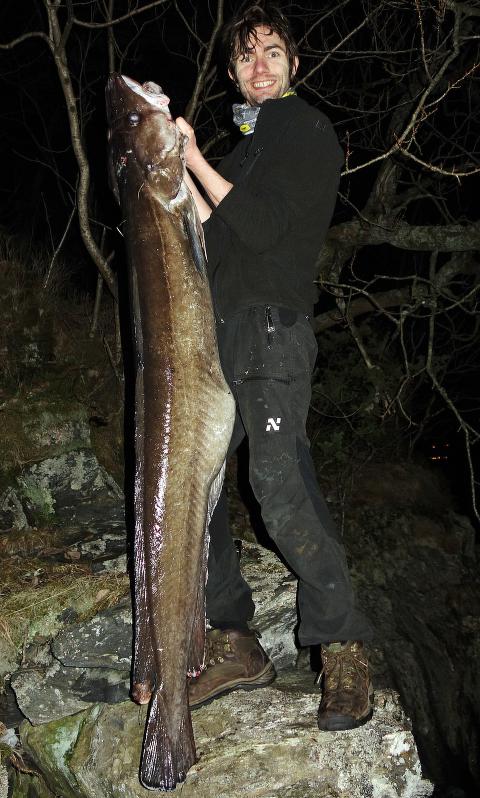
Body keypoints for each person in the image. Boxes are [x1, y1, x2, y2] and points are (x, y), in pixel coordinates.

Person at [176, 2, 373, 732]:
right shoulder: (245, 150)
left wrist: (193, 157)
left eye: (273, 53)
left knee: (277, 482)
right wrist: (170, 164)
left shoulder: (302, 131)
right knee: (196, 492)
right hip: (219, 338)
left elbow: (257, 226)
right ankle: (235, 640)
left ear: (294, 64)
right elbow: (208, 229)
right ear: (232, 70)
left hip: (271, 330)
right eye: (247, 57)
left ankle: (343, 643)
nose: (260, 66)